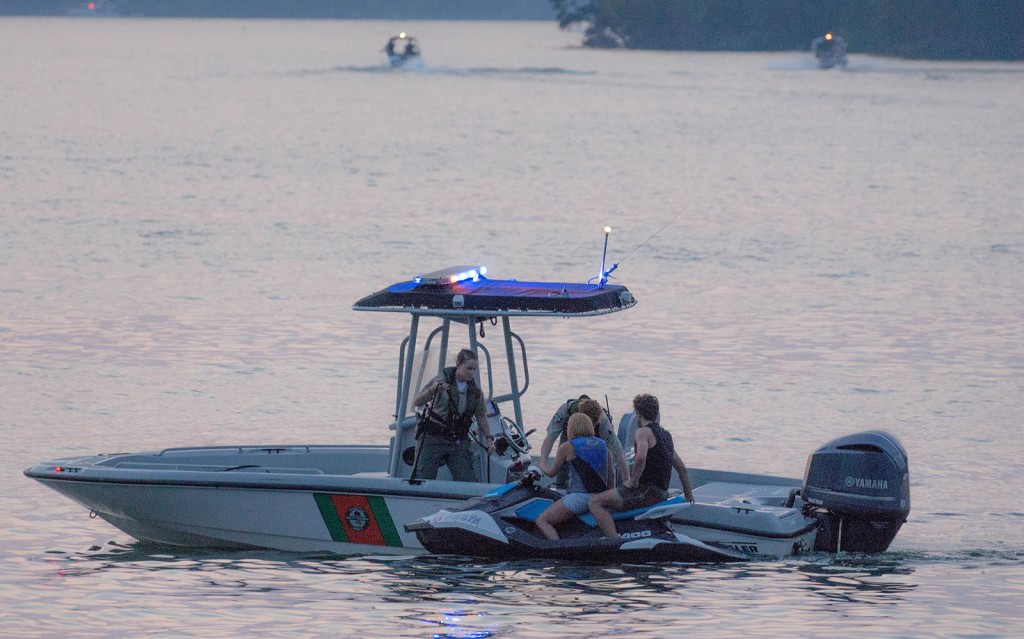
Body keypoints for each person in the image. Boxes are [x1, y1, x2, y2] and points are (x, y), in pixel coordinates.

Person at [588, 393, 695, 538]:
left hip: (646, 493)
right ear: (656, 413)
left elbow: (640, 457)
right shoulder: (666, 435)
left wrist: (633, 482)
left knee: (595, 502)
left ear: (638, 413)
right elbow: (681, 468)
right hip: (662, 493)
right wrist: (689, 494)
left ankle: (613, 541)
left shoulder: (642, 432)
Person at [411, 349, 495, 481]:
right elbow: (417, 401)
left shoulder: (476, 391)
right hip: (433, 438)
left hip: (457, 441)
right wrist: (432, 390)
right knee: (422, 478)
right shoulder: (440, 381)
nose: (472, 373)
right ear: (458, 364)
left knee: (467, 479)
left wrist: (489, 438)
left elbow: (481, 415)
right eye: (468, 368)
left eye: (475, 369)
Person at [534, 413, 610, 540]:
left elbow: (552, 472)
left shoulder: (568, 446)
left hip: (580, 498)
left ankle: (557, 549)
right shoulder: (603, 444)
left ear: (571, 428)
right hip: (600, 496)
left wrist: (541, 464)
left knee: (542, 520)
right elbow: (611, 474)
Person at [539, 395, 629, 488]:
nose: (592, 427)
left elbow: (618, 451)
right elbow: (550, 438)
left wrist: (626, 480)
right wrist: (543, 460)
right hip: (568, 436)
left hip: (595, 442)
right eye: (590, 424)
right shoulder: (565, 411)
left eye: (595, 424)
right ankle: (561, 486)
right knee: (563, 461)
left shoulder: (602, 419)